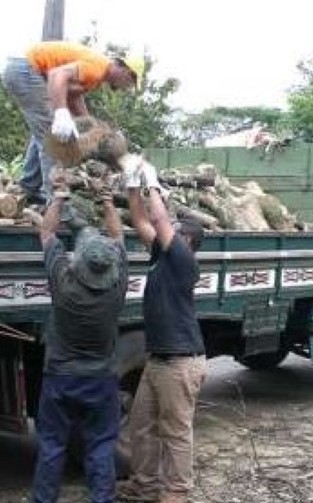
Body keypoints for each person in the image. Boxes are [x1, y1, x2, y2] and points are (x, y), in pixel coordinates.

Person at [30, 173, 129, 503]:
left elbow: (46, 232)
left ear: (79, 263)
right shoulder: (116, 288)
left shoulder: (64, 282)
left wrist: (59, 194)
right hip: (100, 380)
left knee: (52, 445)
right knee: (101, 447)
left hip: (61, 378)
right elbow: (118, 237)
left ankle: (44, 500)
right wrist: (107, 201)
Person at [117, 159, 208, 503]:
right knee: (141, 426)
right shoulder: (159, 256)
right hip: (158, 362)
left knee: (175, 432)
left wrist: (150, 179)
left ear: (185, 240)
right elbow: (141, 218)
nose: (167, 228)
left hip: (181, 364)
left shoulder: (185, 261)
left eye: (174, 228)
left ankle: (176, 493)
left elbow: (157, 218)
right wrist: (130, 184)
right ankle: (144, 485)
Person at [3, 40, 145, 205]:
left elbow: (73, 95)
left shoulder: (97, 75)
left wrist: (92, 126)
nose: (125, 88)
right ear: (125, 71)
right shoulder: (98, 68)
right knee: (53, 138)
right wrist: (61, 113)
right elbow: (57, 76)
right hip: (26, 70)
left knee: (43, 132)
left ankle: (29, 187)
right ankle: (56, 203)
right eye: (128, 82)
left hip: (25, 69)